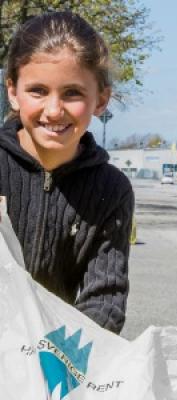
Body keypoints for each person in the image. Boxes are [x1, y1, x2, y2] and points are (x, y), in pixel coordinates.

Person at [1, 12, 134, 333]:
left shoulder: (111, 189)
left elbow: (104, 300)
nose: (53, 110)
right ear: (13, 92)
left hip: (56, 351)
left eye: (72, 93)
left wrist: (58, 355)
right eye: (37, 90)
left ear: (101, 99)